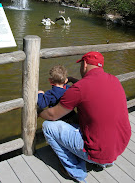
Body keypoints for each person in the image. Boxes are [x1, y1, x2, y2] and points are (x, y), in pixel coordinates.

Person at [38, 51, 131, 183]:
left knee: (48, 126)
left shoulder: (80, 88)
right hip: (119, 146)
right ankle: (105, 161)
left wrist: (38, 113)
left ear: (85, 64)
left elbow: (52, 115)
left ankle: (76, 171)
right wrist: (70, 79)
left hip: (97, 151)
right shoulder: (114, 80)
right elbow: (89, 85)